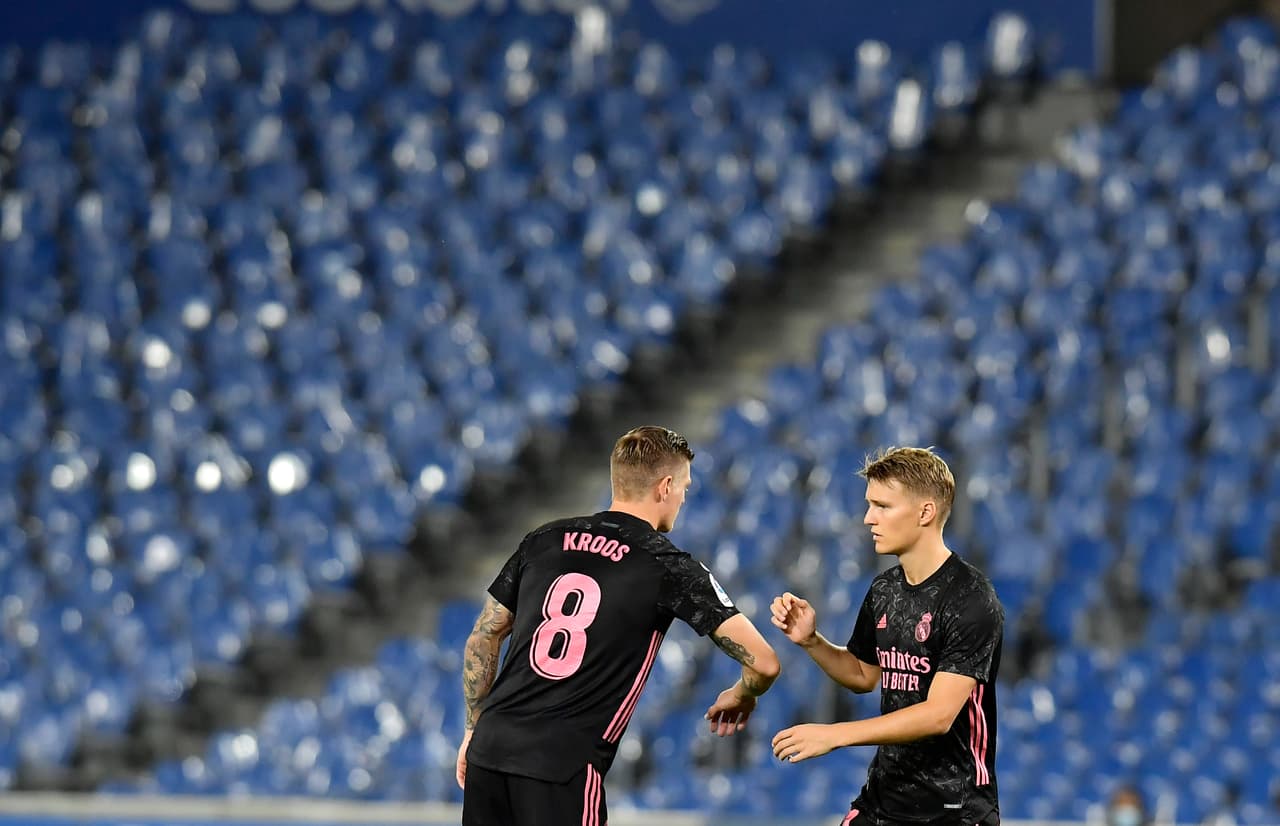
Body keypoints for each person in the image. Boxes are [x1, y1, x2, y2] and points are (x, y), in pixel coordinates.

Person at [457, 425, 781, 826]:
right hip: (562, 767)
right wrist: (744, 693)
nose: (682, 497)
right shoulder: (667, 564)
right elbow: (764, 662)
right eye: (684, 487)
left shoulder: (543, 539)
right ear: (664, 487)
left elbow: (485, 634)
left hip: (490, 751)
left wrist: (474, 727)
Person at [770, 446, 1004, 826]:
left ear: (925, 512)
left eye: (882, 506)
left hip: (955, 809)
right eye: (869, 505)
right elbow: (864, 675)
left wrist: (835, 735)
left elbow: (939, 715)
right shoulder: (884, 590)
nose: (867, 519)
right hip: (885, 798)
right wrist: (812, 641)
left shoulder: (971, 597)